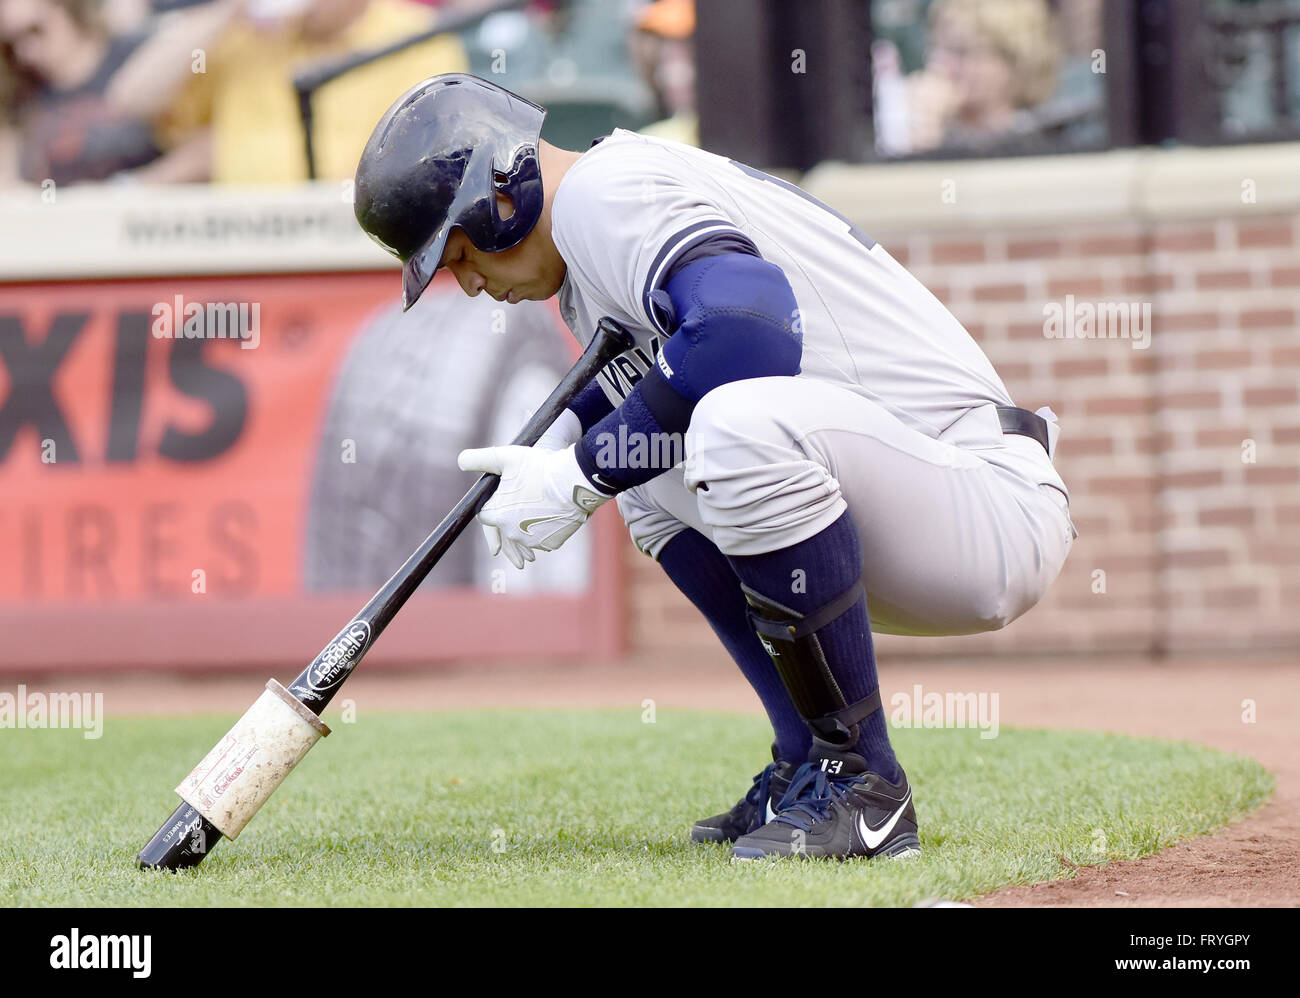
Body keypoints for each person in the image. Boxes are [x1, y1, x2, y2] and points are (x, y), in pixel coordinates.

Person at [352, 73, 1078, 861]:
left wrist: (577, 474)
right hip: (898, 498)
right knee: (650, 481)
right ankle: (808, 759)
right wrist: (562, 449)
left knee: (728, 426)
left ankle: (866, 787)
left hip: (982, 498)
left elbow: (747, 331)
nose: (468, 285)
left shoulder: (603, 193)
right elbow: (656, 382)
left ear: (504, 195)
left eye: (457, 254)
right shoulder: (591, 238)